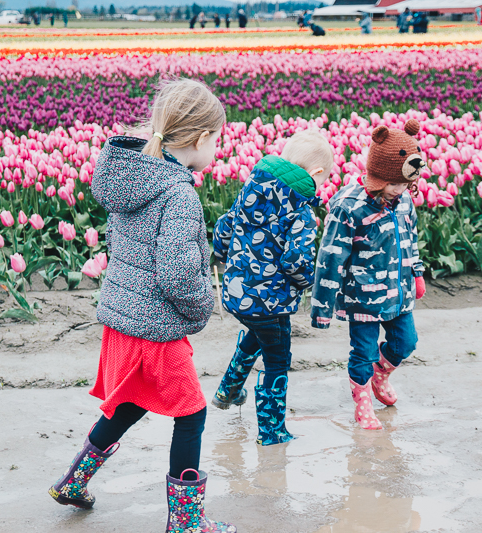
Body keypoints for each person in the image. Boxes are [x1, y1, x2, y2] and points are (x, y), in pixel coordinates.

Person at [48, 79, 236, 533]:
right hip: (156, 329)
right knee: (192, 413)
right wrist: (200, 306)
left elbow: (125, 248)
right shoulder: (178, 192)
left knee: (128, 402)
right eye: (219, 140)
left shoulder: (132, 176)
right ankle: (186, 521)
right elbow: (176, 270)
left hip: (124, 319)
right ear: (200, 139)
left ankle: (74, 482)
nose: (219, 150)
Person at [212, 130, 334, 446]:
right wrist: (308, 283)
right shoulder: (302, 210)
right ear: (316, 174)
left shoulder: (251, 190)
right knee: (277, 359)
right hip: (271, 300)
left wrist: (227, 258)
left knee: (260, 334)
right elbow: (295, 259)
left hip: (238, 293)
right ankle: (271, 430)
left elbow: (223, 228)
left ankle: (229, 389)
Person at [311, 120, 426, 431]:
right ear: (379, 176)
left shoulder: (403, 202)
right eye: (395, 184)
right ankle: (363, 401)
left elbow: (410, 239)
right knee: (363, 350)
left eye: (405, 185)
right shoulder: (349, 208)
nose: (402, 191)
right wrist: (322, 308)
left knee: (406, 342)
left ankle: (381, 374)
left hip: (398, 292)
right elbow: (330, 258)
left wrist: (416, 272)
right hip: (362, 298)